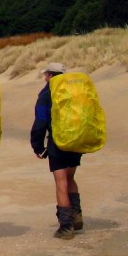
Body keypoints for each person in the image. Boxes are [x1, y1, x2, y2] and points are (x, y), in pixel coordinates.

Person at [31, 62, 83, 239]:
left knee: (61, 181)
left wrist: (37, 146)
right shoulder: (73, 90)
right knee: (70, 177)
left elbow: (41, 121)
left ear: (51, 76)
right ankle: (77, 216)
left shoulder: (47, 93)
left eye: (46, 75)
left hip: (58, 142)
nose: (45, 78)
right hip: (76, 139)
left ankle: (66, 226)